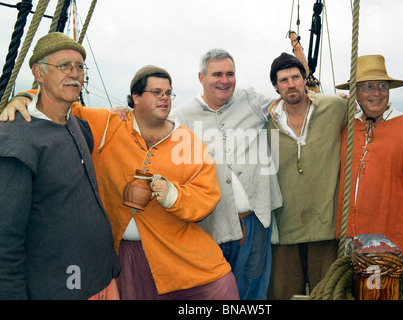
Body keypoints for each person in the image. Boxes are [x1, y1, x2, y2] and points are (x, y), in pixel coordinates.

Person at [3, 64, 238, 300]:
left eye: (168, 93)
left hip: (179, 255)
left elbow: (206, 196)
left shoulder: (189, 142)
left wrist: (171, 195)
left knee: (223, 289)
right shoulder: (107, 125)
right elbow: (57, 102)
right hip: (123, 258)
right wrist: (24, 97)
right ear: (135, 97)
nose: (164, 98)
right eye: (156, 92)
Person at [0, 32, 121, 299]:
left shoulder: (78, 126)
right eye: (64, 65)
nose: (74, 73)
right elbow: (5, 238)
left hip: (100, 278)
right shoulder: (15, 139)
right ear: (38, 74)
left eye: (79, 67)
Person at [170, 48, 283, 300]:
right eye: (217, 74)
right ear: (201, 78)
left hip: (256, 222)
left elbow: (289, 105)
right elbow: (151, 135)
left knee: (253, 291)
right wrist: (121, 115)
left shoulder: (252, 101)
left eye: (230, 74)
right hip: (211, 226)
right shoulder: (181, 117)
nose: (225, 80)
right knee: (215, 292)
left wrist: (337, 101)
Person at [335, 54, 403, 293]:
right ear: (356, 92)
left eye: (382, 86)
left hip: (400, 253)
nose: (376, 93)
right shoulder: (347, 129)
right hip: (353, 251)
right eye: (368, 87)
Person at [265, 53, 348, 299]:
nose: (291, 84)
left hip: (325, 225)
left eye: (295, 77)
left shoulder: (334, 107)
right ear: (275, 86)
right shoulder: (265, 121)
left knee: (327, 293)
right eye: (283, 80)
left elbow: (369, 111)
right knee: (284, 293)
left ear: (305, 79)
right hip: (284, 227)